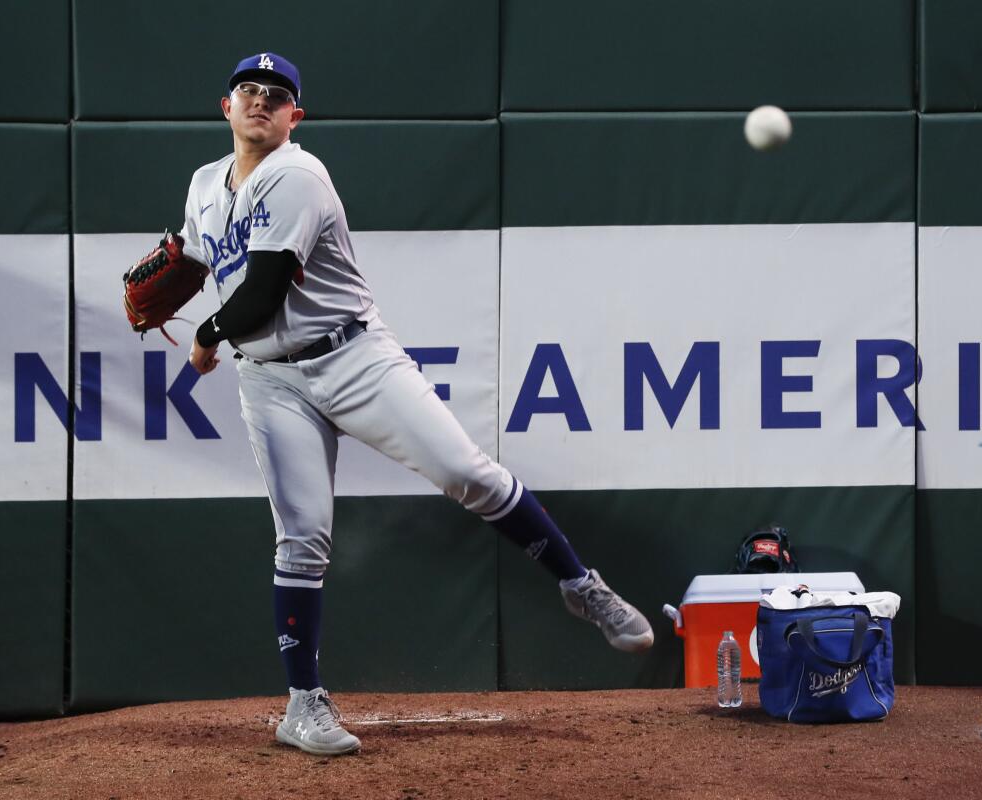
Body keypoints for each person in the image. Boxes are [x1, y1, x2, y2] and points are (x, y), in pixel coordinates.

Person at [179, 52, 653, 756]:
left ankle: (582, 585)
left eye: (276, 96)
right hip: (270, 380)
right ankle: (302, 705)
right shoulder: (202, 186)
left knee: (468, 474)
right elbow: (196, 259)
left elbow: (261, 293)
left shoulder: (297, 175)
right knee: (302, 537)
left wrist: (208, 330)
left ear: (293, 117)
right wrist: (171, 278)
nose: (260, 101)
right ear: (225, 106)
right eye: (248, 90)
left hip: (352, 357)